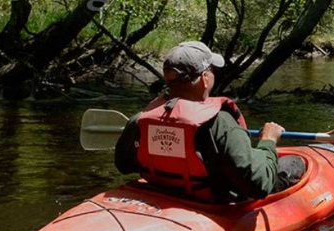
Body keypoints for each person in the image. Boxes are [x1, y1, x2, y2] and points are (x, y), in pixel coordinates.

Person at [114, 41, 305, 203]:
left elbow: (124, 165)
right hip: (213, 200)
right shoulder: (220, 122)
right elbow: (258, 185)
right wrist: (268, 141)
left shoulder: (141, 119)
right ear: (205, 78)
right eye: (211, 70)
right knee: (294, 162)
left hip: (164, 190)